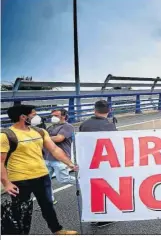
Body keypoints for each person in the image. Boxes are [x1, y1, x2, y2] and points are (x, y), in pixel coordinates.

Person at [1, 104, 78, 235]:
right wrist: (6, 183)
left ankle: (57, 230)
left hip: (42, 175)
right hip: (20, 179)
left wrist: (70, 163)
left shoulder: (39, 131)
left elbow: (54, 149)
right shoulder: (6, 135)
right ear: (23, 117)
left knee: (48, 206)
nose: (36, 117)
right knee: (22, 211)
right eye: (33, 114)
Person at [78, 100, 118, 228]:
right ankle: (103, 218)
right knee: (104, 188)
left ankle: (92, 216)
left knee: (91, 189)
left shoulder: (84, 125)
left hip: (88, 162)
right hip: (104, 163)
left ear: (94, 110)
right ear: (109, 110)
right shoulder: (110, 126)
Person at [43, 109, 76, 204]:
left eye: (56, 115)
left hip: (61, 158)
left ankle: (83, 183)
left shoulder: (68, 127)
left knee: (63, 179)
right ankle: (50, 200)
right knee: (45, 181)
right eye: (52, 115)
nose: (53, 117)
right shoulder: (50, 127)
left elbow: (59, 138)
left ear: (64, 116)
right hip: (47, 157)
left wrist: (45, 137)